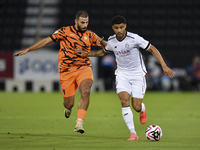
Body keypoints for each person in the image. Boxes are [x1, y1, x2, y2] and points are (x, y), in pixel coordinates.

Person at [75, 15, 174, 140]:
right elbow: (104, 51)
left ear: (125, 26)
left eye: (121, 27)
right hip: (122, 74)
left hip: (137, 74)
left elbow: (152, 49)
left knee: (136, 106)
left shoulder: (134, 38)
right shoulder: (111, 41)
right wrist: (86, 54)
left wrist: (164, 66)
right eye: (116, 28)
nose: (119, 30)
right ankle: (133, 133)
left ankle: (142, 109)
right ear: (113, 28)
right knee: (124, 101)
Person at [14, 10, 104, 134]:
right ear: (76, 21)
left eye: (87, 22)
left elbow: (105, 48)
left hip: (84, 68)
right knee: (69, 103)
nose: (85, 25)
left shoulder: (90, 35)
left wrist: (103, 44)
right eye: (82, 23)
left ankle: (79, 122)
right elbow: (46, 40)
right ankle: (68, 108)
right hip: (66, 71)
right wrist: (28, 49)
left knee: (86, 91)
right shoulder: (64, 31)